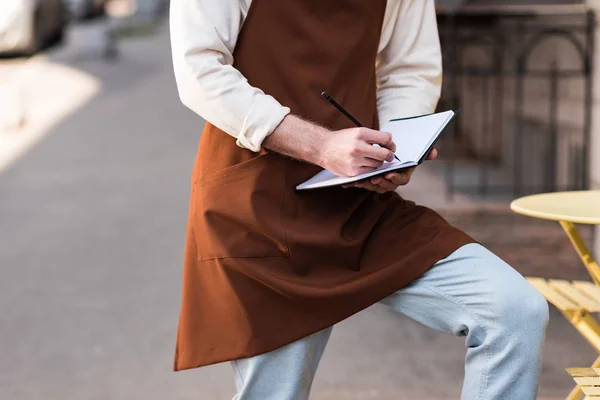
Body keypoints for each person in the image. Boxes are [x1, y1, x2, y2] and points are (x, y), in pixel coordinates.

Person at [169, 0, 549, 399]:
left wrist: (398, 148)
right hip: (257, 212)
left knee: (514, 312)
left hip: (361, 208)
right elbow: (200, 69)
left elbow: (408, 69)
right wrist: (320, 145)